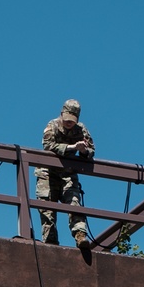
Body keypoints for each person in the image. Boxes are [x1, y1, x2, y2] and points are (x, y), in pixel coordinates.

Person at [34, 99, 94, 257]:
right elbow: (48, 146)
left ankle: (80, 235)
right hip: (47, 172)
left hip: (67, 173)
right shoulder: (52, 125)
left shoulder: (81, 130)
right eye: (66, 119)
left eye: (72, 121)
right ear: (61, 114)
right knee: (47, 209)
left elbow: (91, 151)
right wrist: (71, 148)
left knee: (74, 203)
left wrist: (83, 151)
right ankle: (50, 242)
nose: (69, 123)